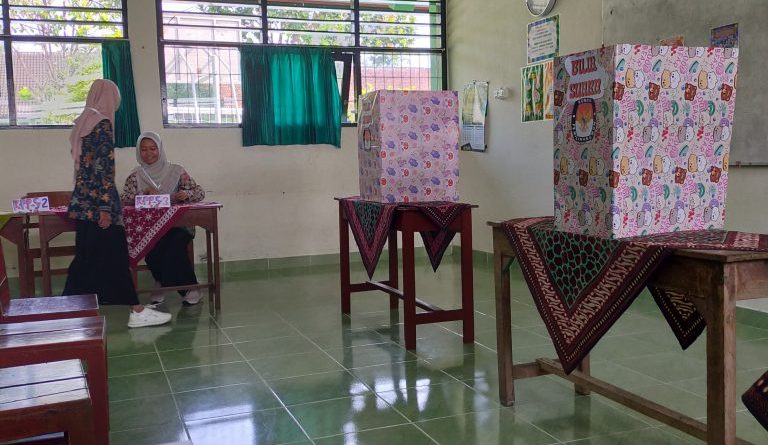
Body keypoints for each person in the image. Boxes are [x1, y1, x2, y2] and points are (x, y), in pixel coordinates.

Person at [63, 79, 171, 328]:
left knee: (85, 260)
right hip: (100, 207)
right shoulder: (101, 124)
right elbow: (103, 169)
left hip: (83, 204)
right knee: (115, 258)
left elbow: (83, 170)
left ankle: (68, 308)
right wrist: (104, 208)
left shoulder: (83, 123)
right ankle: (136, 310)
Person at [121, 131, 206, 305]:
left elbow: (199, 192)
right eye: (144, 149)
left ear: (160, 149)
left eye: (153, 148)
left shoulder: (176, 171)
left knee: (173, 246)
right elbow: (124, 199)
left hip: (178, 225)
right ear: (138, 151)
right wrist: (142, 193)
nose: (149, 153)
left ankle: (180, 286)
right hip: (148, 227)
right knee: (152, 249)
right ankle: (172, 284)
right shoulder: (135, 176)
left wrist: (186, 194)